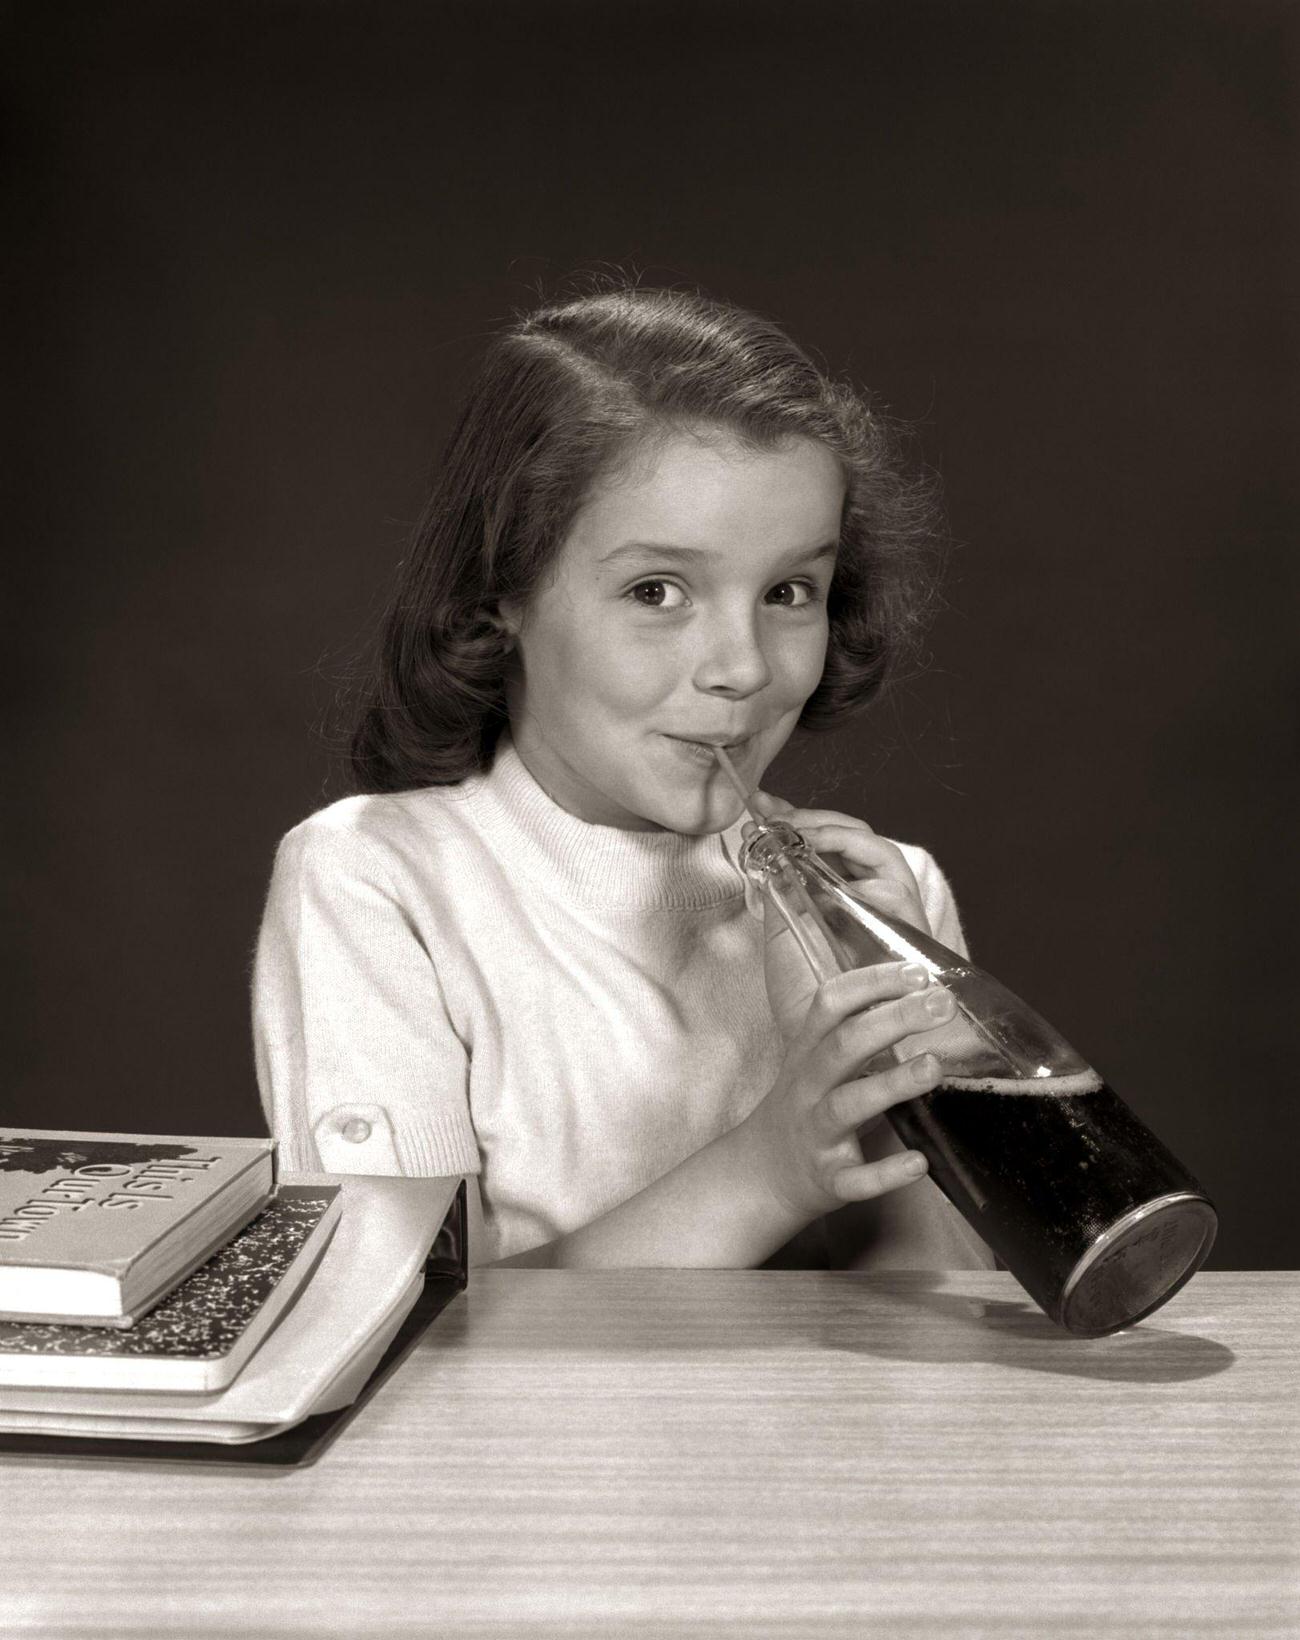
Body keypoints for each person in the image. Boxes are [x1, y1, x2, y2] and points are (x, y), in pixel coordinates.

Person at [252, 284, 993, 1271]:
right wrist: (766, 1172)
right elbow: (408, 1333)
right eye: (657, 590)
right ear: (501, 593)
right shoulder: (379, 881)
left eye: (788, 591)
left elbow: (943, 1342)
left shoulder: (887, 896)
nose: (742, 664)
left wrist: (893, 1075)